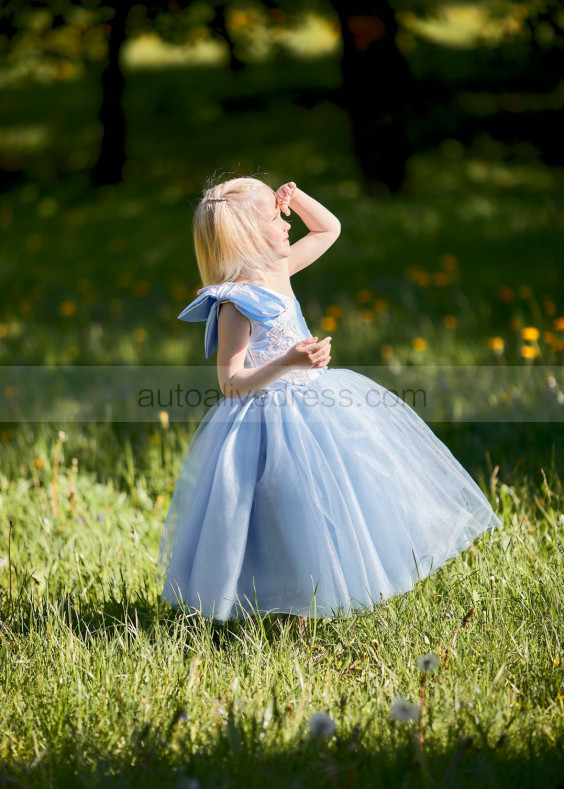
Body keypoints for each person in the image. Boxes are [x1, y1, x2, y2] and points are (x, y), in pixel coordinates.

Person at [157, 176, 502, 626]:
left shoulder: (277, 271)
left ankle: (344, 585)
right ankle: (284, 606)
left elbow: (328, 230)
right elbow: (230, 381)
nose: (286, 224)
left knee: (332, 498)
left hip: (315, 407)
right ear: (244, 232)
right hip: (264, 423)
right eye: (274, 217)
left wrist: (295, 198)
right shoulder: (235, 303)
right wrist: (289, 360)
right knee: (278, 510)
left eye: (283, 214)